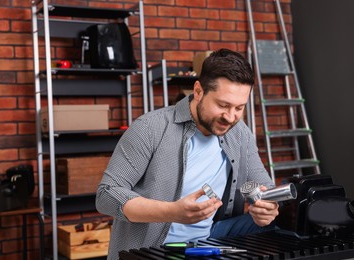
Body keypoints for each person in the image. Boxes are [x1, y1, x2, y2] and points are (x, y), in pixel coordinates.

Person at [96, 48, 279, 259]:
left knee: (280, 227)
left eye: (239, 108)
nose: (230, 117)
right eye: (222, 105)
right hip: (154, 248)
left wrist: (267, 206)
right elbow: (106, 194)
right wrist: (173, 212)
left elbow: (263, 185)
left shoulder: (239, 133)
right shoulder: (151, 127)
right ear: (199, 91)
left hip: (210, 240)